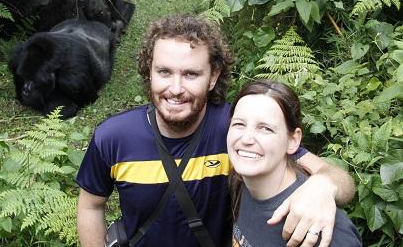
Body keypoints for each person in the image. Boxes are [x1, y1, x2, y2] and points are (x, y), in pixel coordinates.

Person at [76, 15, 355, 247]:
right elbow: (91, 205)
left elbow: (337, 178)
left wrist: (322, 186)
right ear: (149, 72)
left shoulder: (237, 130)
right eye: (164, 72)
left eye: (190, 74)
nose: (175, 89)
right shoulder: (113, 137)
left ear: (213, 77)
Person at [227, 79, 362, 246]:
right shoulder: (240, 183)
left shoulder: (325, 230)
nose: (246, 138)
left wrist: (326, 183)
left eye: (266, 128)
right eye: (239, 124)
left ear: (293, 140)